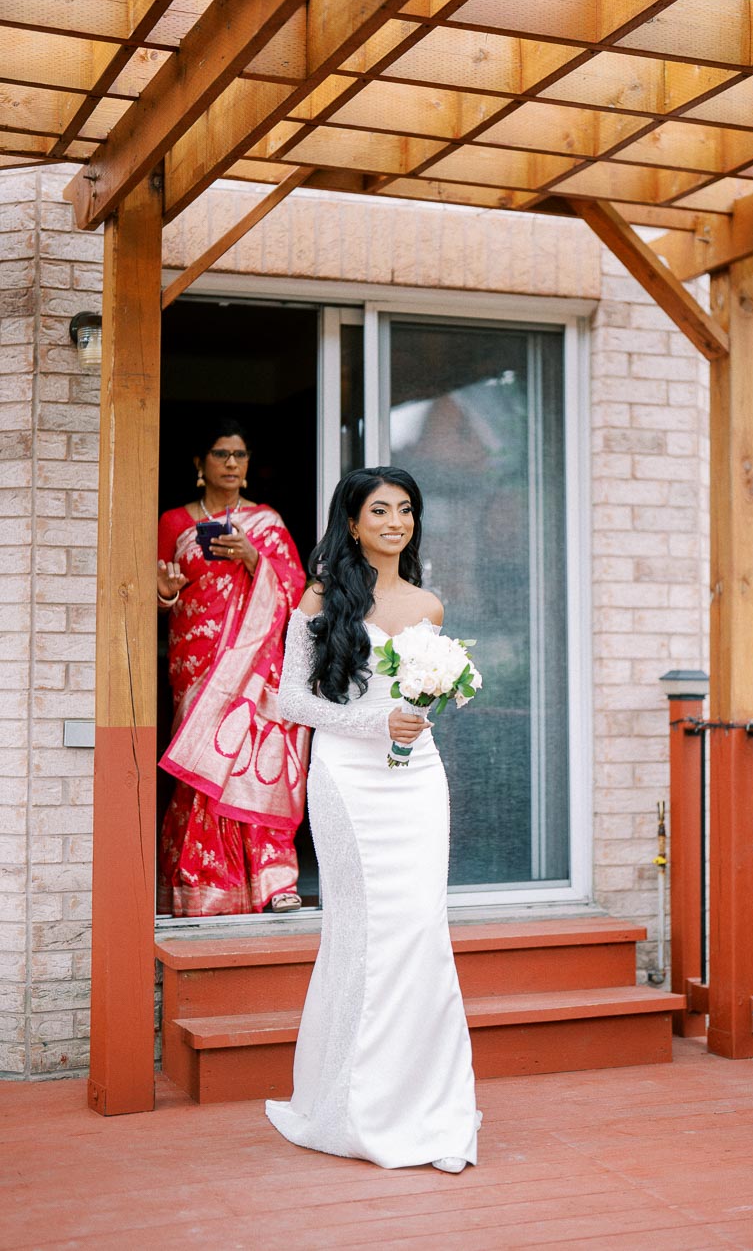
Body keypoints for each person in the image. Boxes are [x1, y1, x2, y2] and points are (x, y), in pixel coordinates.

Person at [265, 466, 479, 1173]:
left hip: (417, 782)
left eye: (407, 510)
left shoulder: (431, 606)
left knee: (420, 931)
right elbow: (288, 700)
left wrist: (414, 717)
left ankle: (424, 1103)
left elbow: (425, 703)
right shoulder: (323, 596)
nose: (396, 521)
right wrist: (370, 719)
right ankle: (351, 1105)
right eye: (380, 510)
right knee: (362, 932)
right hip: (348, 781)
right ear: (352, 523)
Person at [156, 417, 310, 917]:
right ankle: (204, 884)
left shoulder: (267, 523)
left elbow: (296, 590)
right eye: (220, 454)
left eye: (238, 455)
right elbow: (161, 593)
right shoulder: (174, 522)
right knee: (202, 766)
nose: (230, 463)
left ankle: (272, 881)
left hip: (255, 669)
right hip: (197, 665)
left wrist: (252, 558)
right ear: (199, 465)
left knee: (250, 758)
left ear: (247, 467)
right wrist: (165, 589)